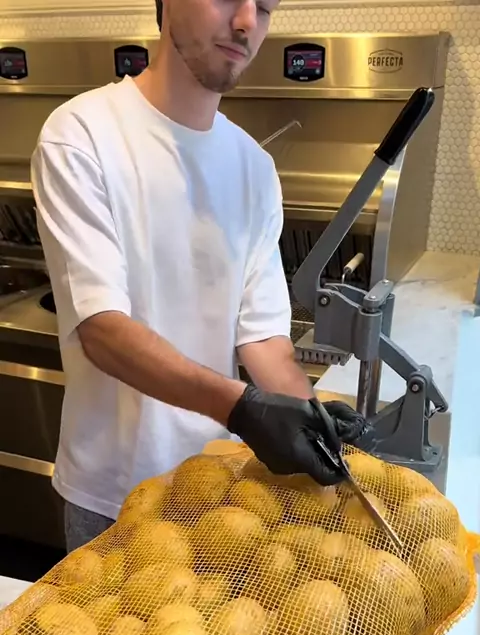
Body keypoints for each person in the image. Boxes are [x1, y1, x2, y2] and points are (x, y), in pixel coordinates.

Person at [31, 0, 369, 553]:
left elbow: (263, 340)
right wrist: (242, 408)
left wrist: (310, 420)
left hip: (220, 491)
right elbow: (102, 329)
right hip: (112, 498)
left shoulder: (254, 168)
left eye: (264, 7)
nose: (246, 22)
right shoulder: (81, 135)